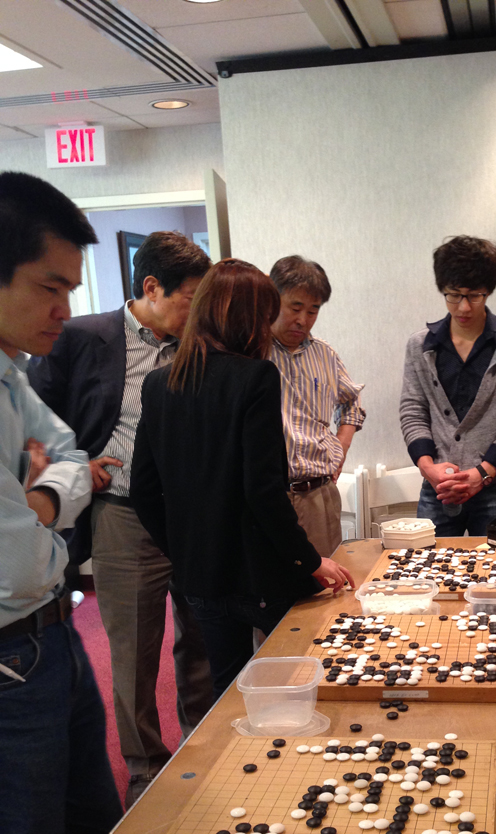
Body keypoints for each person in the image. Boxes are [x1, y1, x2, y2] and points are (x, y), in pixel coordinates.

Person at [28, 231, 214, 807]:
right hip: (123, 519)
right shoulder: (83, 337)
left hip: (190, 518)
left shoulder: (196, 342)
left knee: (200, 644)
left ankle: (203, 751)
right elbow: (36, 419)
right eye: (190, 298)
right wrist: (76, 463)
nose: (197, 311)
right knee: (134, 652)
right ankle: (144, 773)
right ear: (151, 288)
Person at [131, 259, 354, 697]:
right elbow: (262, 491)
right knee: (294, 677)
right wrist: (309, 561)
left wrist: (182, 552)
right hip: (259, 573)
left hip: (200, 574)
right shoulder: (255, 376)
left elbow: (143, 490)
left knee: (226, 688)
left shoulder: (159, 383)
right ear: (249, 318)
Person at [0, 171, 122, 834]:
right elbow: (10, 565)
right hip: (12, 655)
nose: (65, 311)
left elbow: (76, 454)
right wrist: (51, 506)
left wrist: (39, 493)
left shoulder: (12, 369)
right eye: (50, 287)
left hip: (56, 635)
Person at [400, 235, 496, 536]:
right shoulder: (420, 346)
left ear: (488, 292)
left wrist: (483, 473)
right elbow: (413, 411)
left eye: (474, 295)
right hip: (439, 486)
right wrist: (428, 468)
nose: (463, 307)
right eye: (453, 295)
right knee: (429, 572)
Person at [268, 256, 365, 558]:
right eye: (295, 308)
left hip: (319, 495)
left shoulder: (324, 354)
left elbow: (352, 403)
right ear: (272, 300)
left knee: (325, 593)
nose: (303, 320)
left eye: (313, 311)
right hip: (271, 497)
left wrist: (342, 445)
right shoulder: (250, 352)